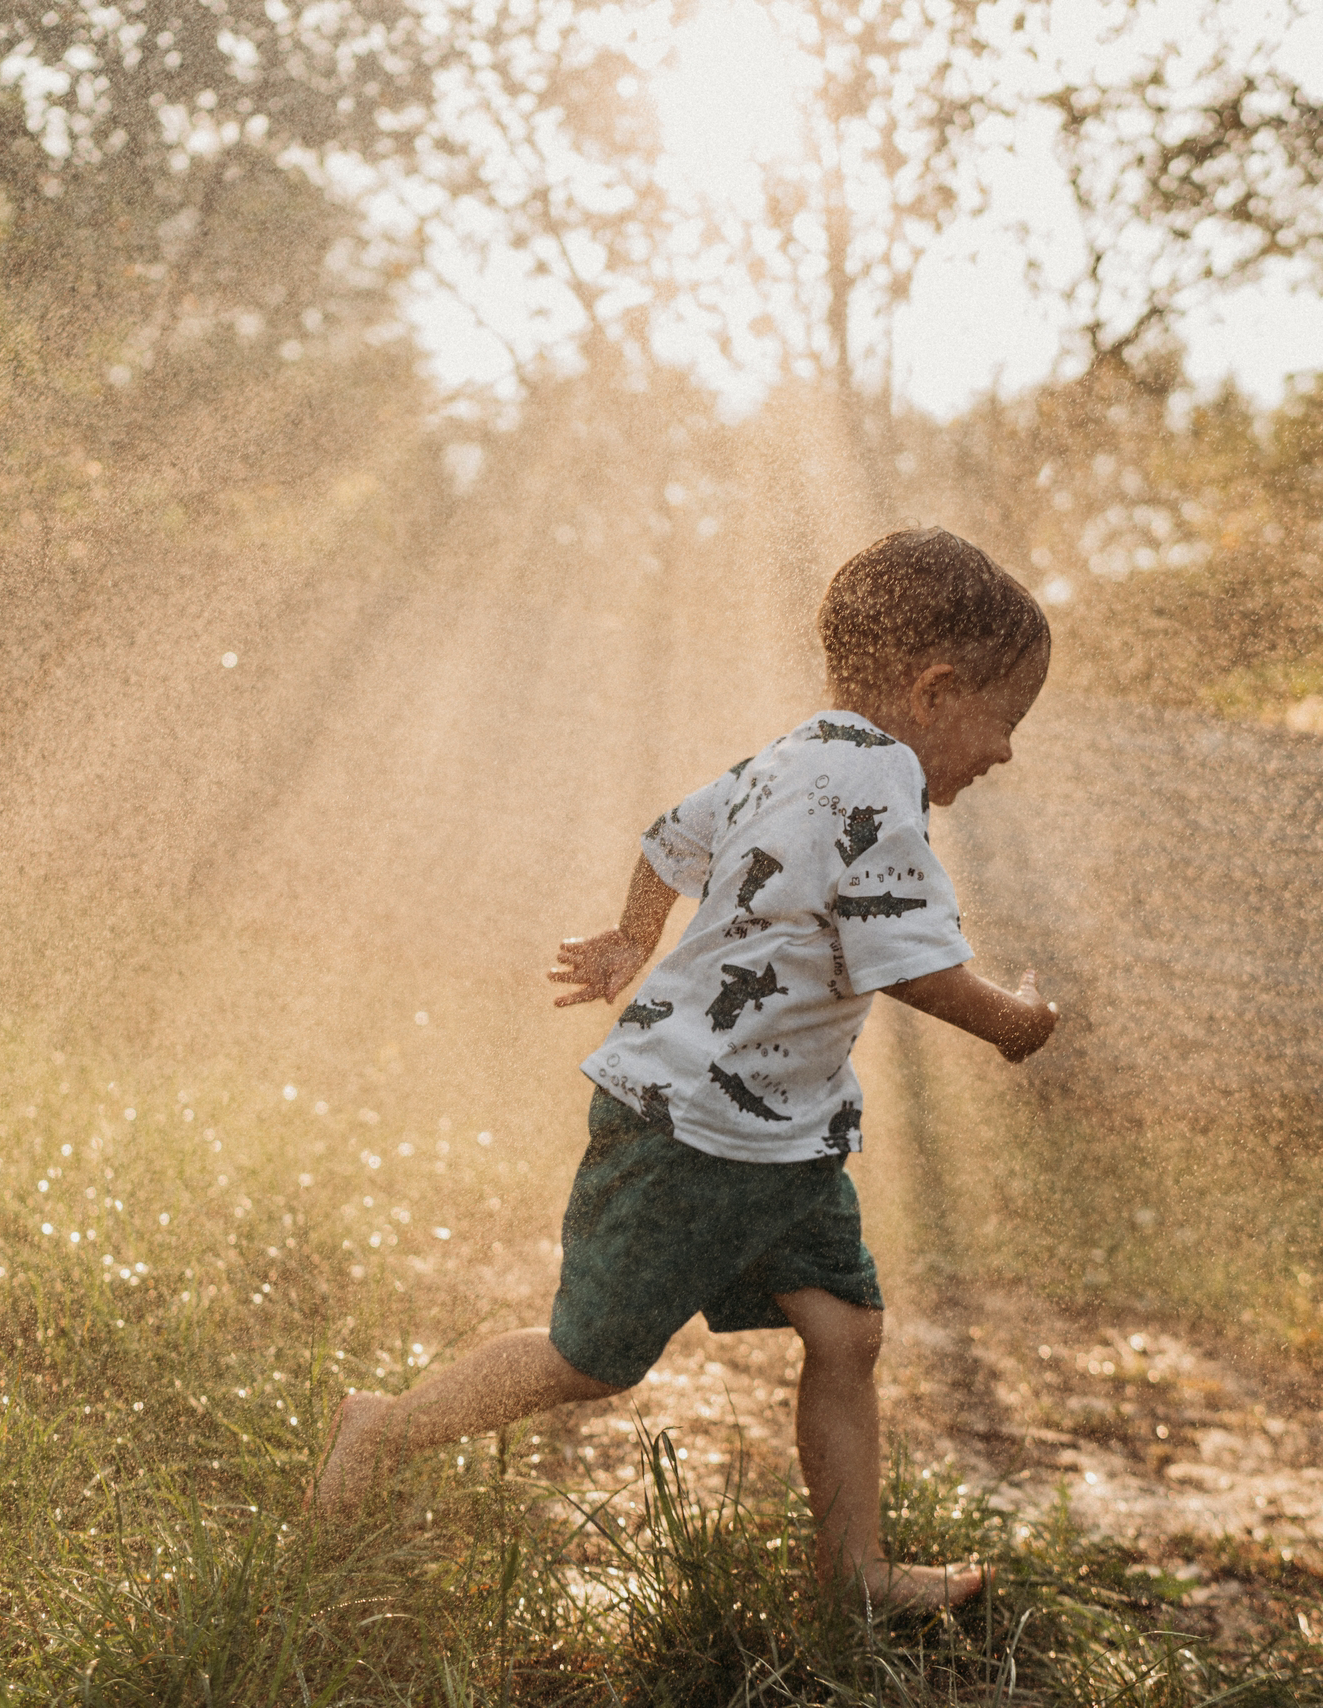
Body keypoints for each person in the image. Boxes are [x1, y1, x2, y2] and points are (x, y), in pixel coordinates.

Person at [313, 527, 1060, 1610]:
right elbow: (908, 963)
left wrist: (631, 936)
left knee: (846, 1332)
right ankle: (386, 1426)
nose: (1002, 754)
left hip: (782, 1136)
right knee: (591, 1358)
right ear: (938, 690)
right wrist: (1013, 1022)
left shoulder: (794, 751)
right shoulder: (878, 786)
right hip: (695, 1131)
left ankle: (853, 1576)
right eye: (1006, 720)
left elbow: (669, 838)